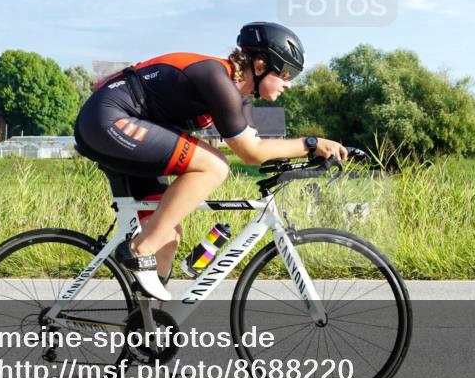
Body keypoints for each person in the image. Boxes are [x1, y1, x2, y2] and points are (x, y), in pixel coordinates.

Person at [73, 22, 349, 301]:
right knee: (214, 166)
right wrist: (311, 144)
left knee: (168, 235)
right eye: (286, 73)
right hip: (107, 119)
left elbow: (261, 149)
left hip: (130, 128)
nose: (289, 83)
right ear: (261, 63)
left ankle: (147, 327)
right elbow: (249, 152)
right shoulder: (216, 77)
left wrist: (309, 155)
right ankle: (138, 250)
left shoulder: (240, 99)